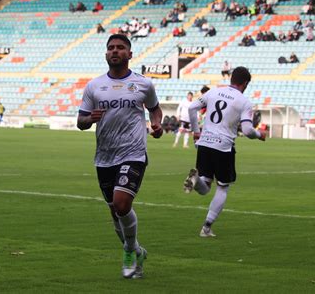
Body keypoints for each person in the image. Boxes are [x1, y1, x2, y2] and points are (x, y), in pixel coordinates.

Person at [77, 34, 163, 279]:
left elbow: (155, 109)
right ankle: (137, 251)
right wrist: (88, 119)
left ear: (130, 54)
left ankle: (127, 250)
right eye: (111, 48)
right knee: (115, 212)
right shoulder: (94, 86)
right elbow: (80, 122)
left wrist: (156, 124)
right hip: (104, 157)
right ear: (106, 54)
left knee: (122, 204)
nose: (115, 51)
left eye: (120, 48)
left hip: (133, 152)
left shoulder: (143, 84)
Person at [183, 67, 266, 237]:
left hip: (205, 143)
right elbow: (248, 130)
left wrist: (196, 131)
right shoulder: (244, 102)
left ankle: (196, 179)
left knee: (205, 187)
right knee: (222, 187)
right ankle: (206, 227)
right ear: (245, 83)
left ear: (231, 78)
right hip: (223, 147)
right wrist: (259, 134)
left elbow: (192, 108)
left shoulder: (213, 92)